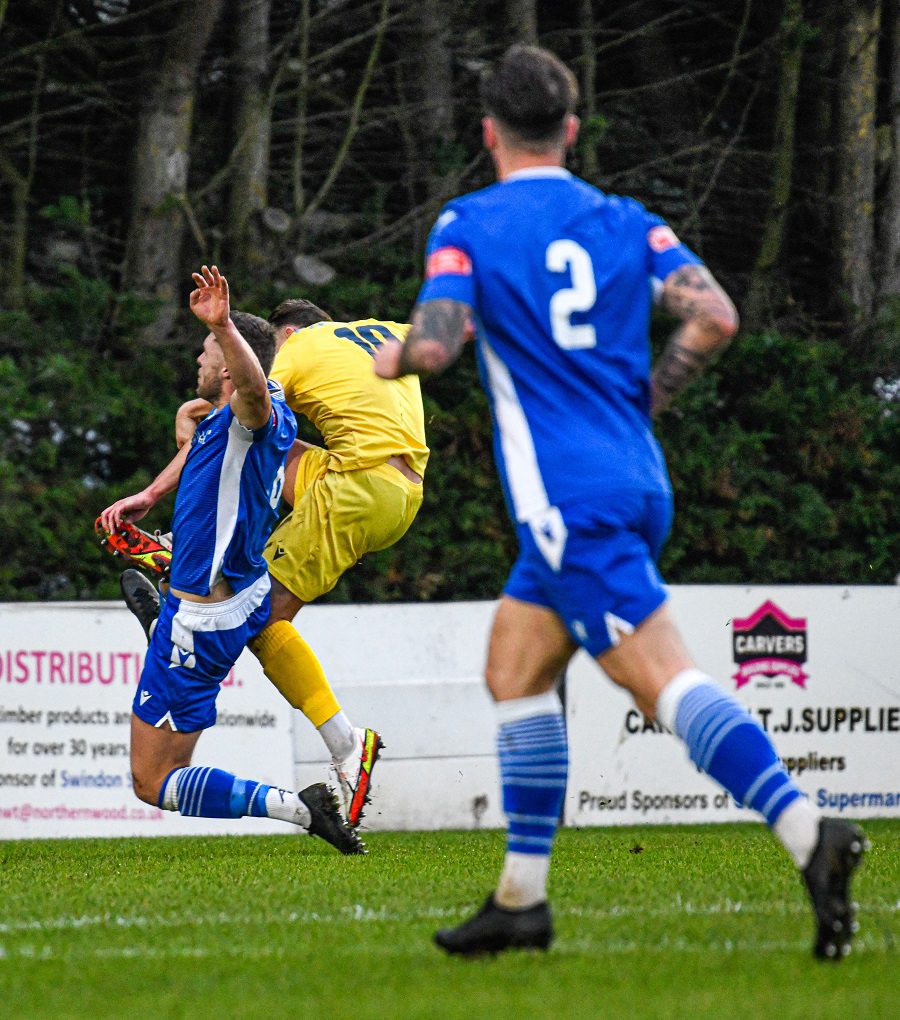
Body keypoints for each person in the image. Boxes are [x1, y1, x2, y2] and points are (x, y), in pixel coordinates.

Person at [374, 44, 866, 958]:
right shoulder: (624, 219)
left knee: (666, 684)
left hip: (568, 502)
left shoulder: (469, 222)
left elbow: (436, 346)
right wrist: (647, 400)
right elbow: (714, 314)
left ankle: (809, 833)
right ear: (569, 129)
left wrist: (389, 355)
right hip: (633, 477)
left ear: (489, 133)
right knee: (515, 669)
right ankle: (522, 901)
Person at [127, 297, 430, 827]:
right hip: (396, 487)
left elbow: (233, 410)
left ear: (288, 332)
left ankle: (347, 743)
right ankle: (194, 579)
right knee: (269, 453)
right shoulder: (381, 330)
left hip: (354, 488)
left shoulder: (293, 351)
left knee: (260, 616)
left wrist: (153, 489)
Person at [100, 265, 364, 855]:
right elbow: (217, 438)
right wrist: (157, 484)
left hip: (202, 619)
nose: (197, 361)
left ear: (225, 362)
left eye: (204, 353)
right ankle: (164, 608)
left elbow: (248, 393)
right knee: (189, 602)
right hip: (242, 595)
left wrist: (220, 324)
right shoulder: (237, 419)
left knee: (154, 782)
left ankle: (300, 809)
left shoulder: (252, 413)